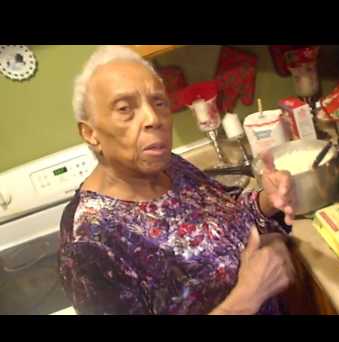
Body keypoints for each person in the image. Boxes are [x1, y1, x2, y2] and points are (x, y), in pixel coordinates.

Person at [58, 45, 297, 315]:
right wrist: (246, 298)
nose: (153, 118)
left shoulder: (168, 165)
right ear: (90, 133)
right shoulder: (89, 242)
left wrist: (268, 200)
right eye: (125, 108)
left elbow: (226, 219)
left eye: (159, 102)